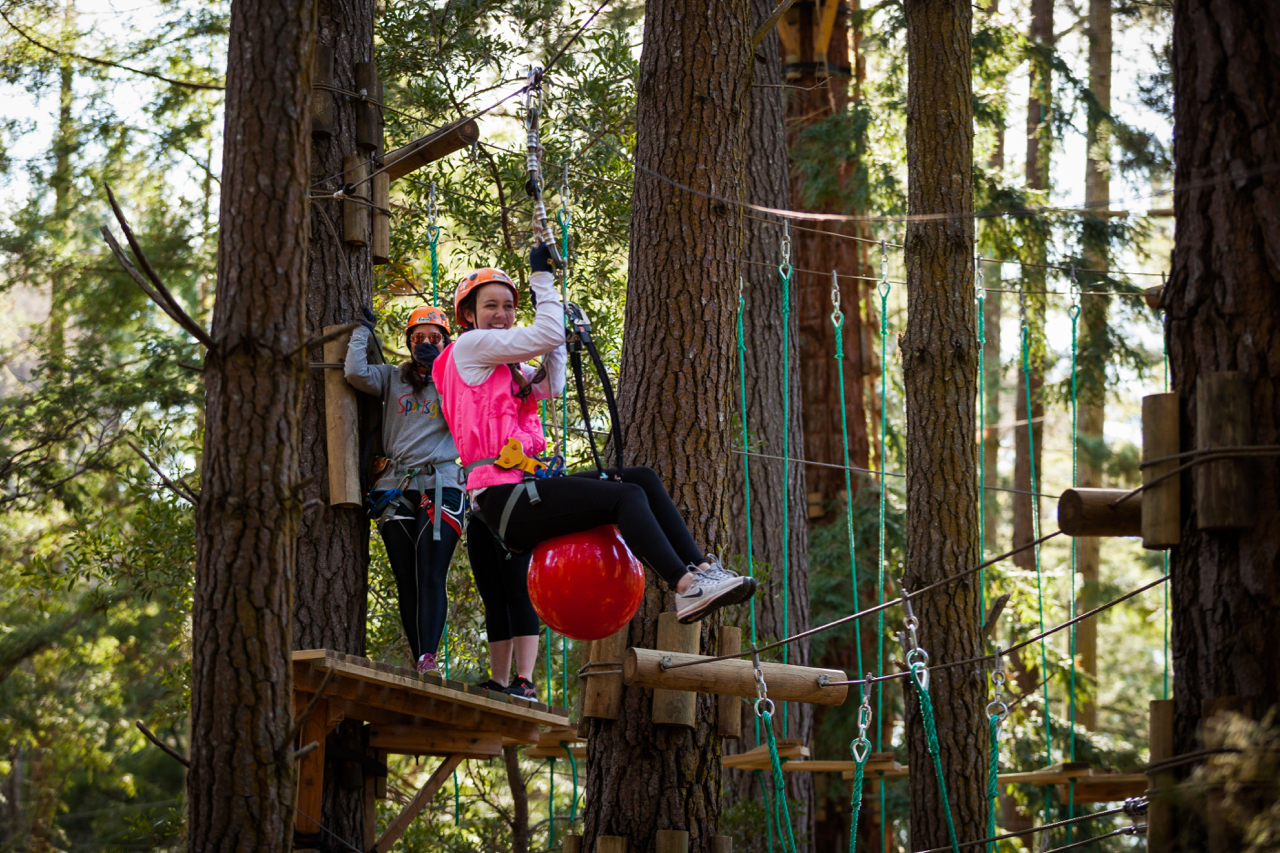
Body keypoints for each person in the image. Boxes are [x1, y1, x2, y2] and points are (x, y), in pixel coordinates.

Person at [433, 244, 757, 634]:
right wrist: (543, 282)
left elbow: (551, 383)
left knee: (641, 478)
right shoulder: (468, 347)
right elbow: (545, 332)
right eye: (490, 306)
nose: (502, 315)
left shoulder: (504, 367)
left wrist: (555, 330)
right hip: (502, 498)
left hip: (521, 488)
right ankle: (685, 586)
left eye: (508, 306)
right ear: (468, 315)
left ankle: (703, 571)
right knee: (625, 497)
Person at [345, 305, 462, 677]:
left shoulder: (455, 379)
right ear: (409, 343)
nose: (425, 343)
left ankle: (429, 656)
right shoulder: (392, 377)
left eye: (434, 339)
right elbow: (354, 373)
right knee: (406, 576)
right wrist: (362, 330)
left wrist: (443, 369)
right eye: (418, 338)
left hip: (441, 483)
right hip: (395, 486)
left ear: (446, 343)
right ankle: (420, 657)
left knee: (431, 572)